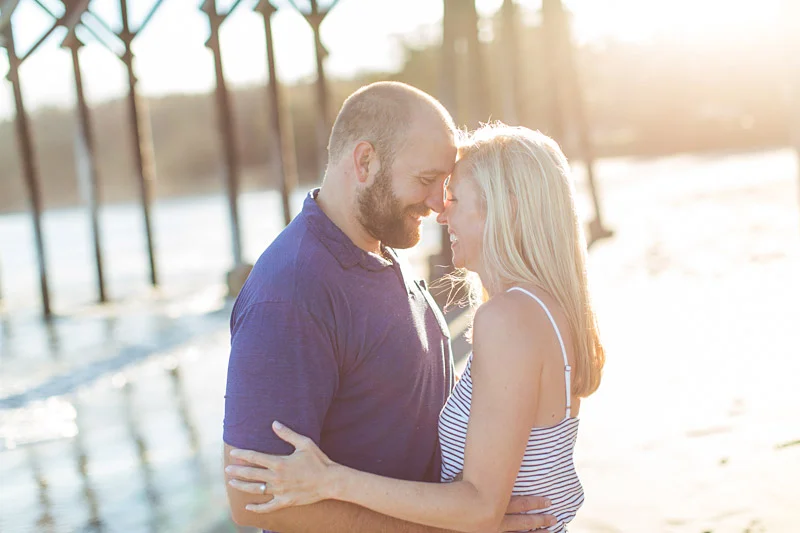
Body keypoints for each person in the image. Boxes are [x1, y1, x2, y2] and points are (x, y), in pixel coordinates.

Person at [225, 123, 606, 532]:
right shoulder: (545, 311)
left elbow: (479, 509)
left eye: (455, 198)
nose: (442, 214)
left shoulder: (507, 320)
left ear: (506, 208)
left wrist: (330, 479)